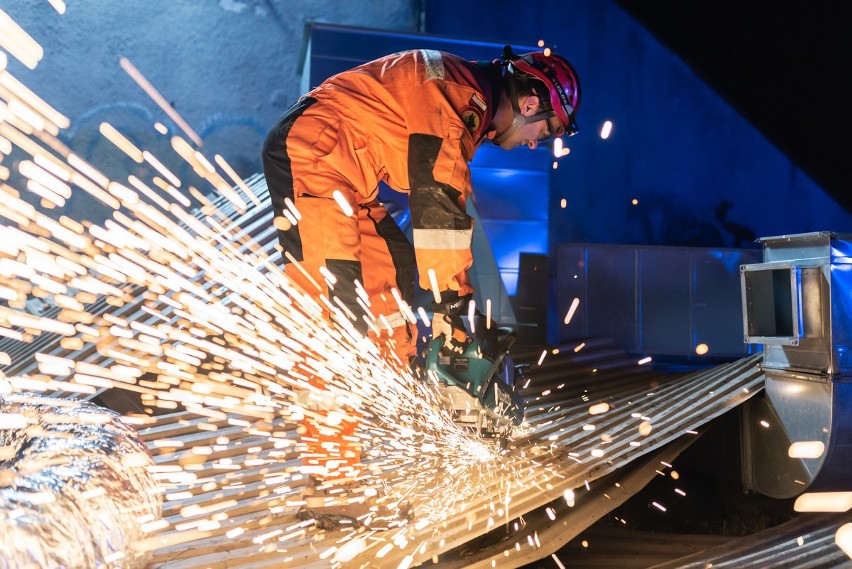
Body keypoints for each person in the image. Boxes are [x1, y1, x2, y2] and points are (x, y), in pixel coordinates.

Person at [261, 45, 581, 527]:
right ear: (532, 102)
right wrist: (454, 306)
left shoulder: (462, 99)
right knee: (334, 318)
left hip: (349, 181)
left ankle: (406, 417)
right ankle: (331, 483)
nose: (538, 142)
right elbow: (437, 204)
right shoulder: (457, 97)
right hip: (314, 157)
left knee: (391, 288)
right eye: (548, 130)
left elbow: (447, 202)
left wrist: (452, 310)